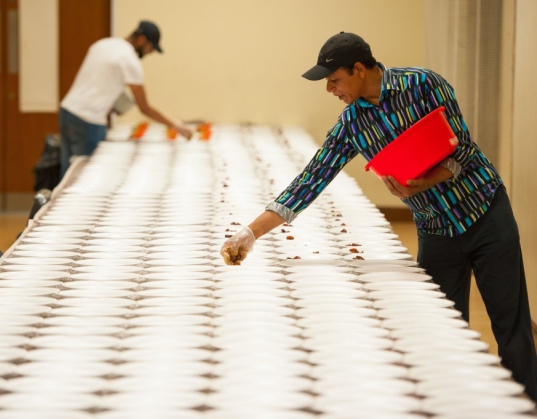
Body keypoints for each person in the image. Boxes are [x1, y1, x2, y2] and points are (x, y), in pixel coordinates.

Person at [220, 31, 537, 401]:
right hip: (437, 229)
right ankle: (457, 404)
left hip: (484, 212)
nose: (330, 89)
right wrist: (250, 234)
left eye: (334, 80)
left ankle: (527, 404)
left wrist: (423, 182)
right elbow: (310, 180)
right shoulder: (352, 123)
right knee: (441, 332)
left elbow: (463, 149)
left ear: (358, 69)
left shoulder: (423, 85)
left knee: (511, 325)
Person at [58, 20, 193, 178]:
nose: (150, 52)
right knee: (85, 177)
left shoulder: (103, 44)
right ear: (142, 39)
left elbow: (97, 80)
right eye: (151, 48)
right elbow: (144, 108)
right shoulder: (129, 60)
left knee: (68, 173)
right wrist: (175, 126)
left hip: (68, 111)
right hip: (89, 120)